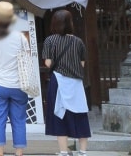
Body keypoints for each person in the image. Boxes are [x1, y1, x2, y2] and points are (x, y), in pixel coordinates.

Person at [0, 1, 32, 156]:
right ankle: (19, 152)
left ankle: (0, 153)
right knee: (19, 120)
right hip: (19, 85)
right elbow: (27, 58)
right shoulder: (21, 37)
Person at [41, 9, 91, 156]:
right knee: (80, 113)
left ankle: (63, 151)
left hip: (58, 81)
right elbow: (82, 64)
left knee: (59, 114)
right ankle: (82, 151)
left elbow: (48, 63)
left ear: (54, 23)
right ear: (70, 23)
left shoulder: (50, 40)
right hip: (75, 83)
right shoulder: (78, 42)